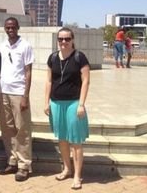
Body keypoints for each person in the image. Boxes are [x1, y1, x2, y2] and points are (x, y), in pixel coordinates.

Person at [44, 27, 90, 190]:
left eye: (67, 39)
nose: (64, 42)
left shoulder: (79, 57)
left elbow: (85, 81)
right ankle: (67, 168)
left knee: (75, 140)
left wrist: (81, 104)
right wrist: (46, 102)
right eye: (61, 39)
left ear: (73, 40)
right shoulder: (53, 57)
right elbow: (49, 80)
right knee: (62, 137)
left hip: (73, 102)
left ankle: (77, 175)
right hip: (56, 103)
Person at [0, 17, 34, 182]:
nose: (10, 30)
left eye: (13, 27)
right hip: (3, 92)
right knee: (7, 129)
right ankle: (12, 161)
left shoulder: (25, 46)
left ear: (18, 28)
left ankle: (24, 165)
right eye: (7, 27)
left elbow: (28, 72)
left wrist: (26, 95)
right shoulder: (2, 46)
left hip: (18, 93)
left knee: (22, 129)